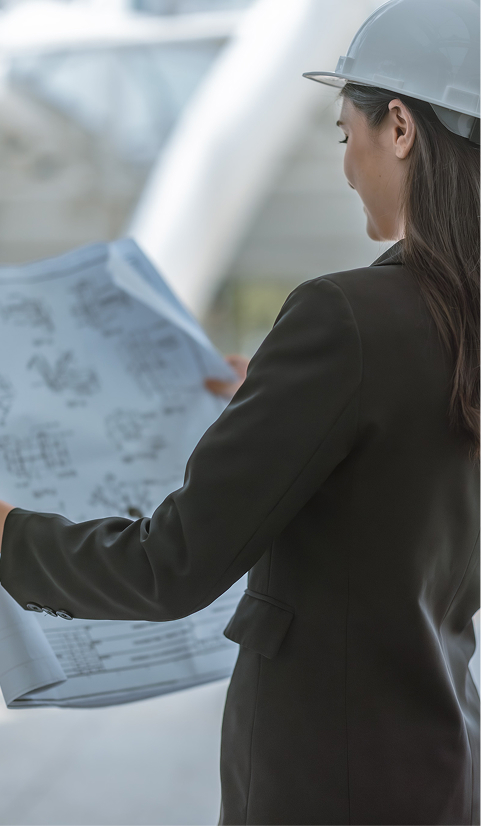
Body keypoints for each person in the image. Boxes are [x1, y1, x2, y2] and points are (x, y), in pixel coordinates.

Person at [0, 0, 479, 822]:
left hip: (329, 782)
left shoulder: (347, 318)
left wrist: (8, 532)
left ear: (398, 125)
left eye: (344, 134)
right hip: (446, 762)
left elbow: (166, 567)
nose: (344, 164)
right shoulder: (441, 324)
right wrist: (287, 388)